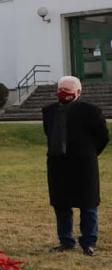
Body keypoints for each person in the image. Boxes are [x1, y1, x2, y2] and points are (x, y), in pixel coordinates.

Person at [44, 76, 108, 256]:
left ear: (78, 92)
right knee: (61, 205)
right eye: (61, 89)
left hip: (84, 165)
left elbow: (102, 137)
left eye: (68, 90)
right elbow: (48, 133)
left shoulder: (91, 112)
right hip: (58, 164)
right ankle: (66, 241)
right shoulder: (49, 111)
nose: (64, 93)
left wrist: (88, 153)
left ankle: (89, 242)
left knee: (88, 204)